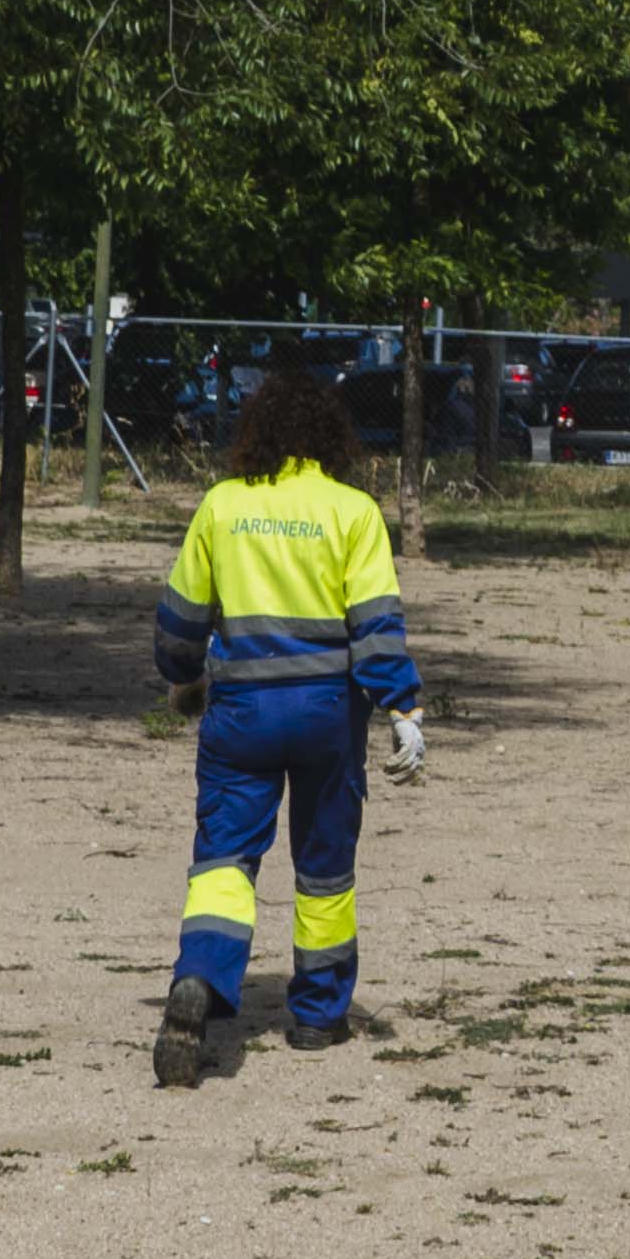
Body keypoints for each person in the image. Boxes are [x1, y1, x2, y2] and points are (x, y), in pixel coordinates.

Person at [147, 367, 425, 1085]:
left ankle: (200, 978)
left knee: (224, 860)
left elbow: (179, 621)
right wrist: (403, 709)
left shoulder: (223, 505)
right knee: (324, 864)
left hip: (240, 715)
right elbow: (376, 629)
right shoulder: (353, 512)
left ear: (257, 431)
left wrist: (183, 677)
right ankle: (317, 1016)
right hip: (328, 717)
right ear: (333, 438)